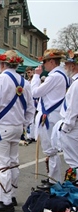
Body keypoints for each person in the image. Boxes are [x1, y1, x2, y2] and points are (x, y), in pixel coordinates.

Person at [0, 50, 35, 212]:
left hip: (2, 127)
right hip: (17, 128)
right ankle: (10, 195)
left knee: (3, 165)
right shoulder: (25, 82)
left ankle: (5, 201)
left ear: (2, 64)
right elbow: (30, 108)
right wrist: (24, 124)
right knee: (13, 161)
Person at [32, 49, 70, 189]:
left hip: (50, 115)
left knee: (51, 150)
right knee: (52, 149)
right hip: (54, 113)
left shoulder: (54, 76)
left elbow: (35, 93)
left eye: (45, 62)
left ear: (52, 62)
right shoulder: (64, 75)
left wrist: (36, 77)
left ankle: (54, 181)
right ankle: (53, 178)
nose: (43, 65)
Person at [58, 50, 78, 182]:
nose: (65, 67)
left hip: (73, 128)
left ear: (73, 66)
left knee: (74, 162)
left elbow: (73, 109)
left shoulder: (76, 84)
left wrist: (65, 128)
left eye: (67, 64)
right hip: (74, 126)